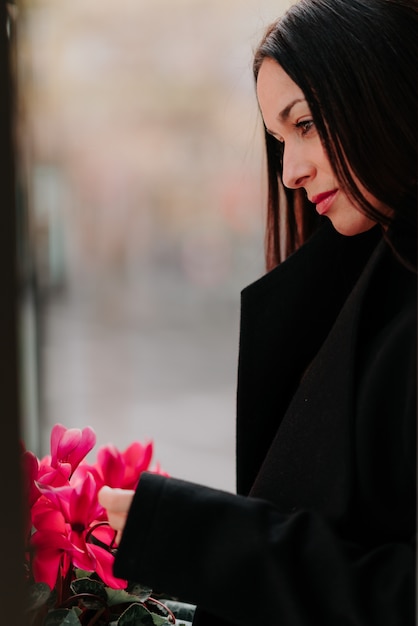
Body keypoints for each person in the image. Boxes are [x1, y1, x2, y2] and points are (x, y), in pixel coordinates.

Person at [98, 0, 417, 624]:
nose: (291, 172)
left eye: (306, 125)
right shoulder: (357, 282)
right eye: (280, 142)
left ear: (384, 92)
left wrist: (198, 535)